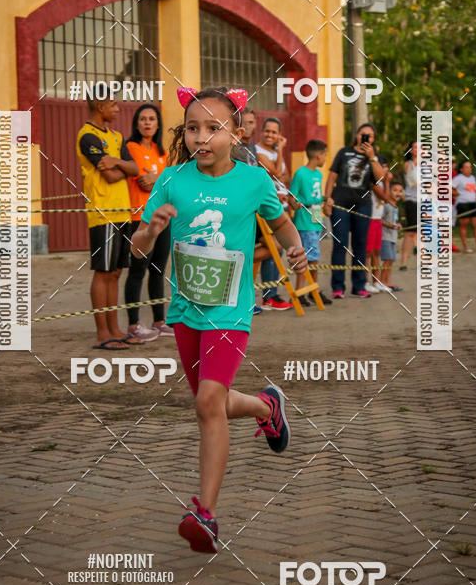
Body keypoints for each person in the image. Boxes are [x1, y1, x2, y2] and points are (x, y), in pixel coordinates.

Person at [131, 86, 307, 554]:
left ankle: (205, 514)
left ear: (237, 132)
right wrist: (152, 228)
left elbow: (280, 221)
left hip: (231, 311)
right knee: (215, 404)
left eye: (213, 128)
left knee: (208, 402)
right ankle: (268, 407)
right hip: (186, 311)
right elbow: (138, 247)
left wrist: (295, 248)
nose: (201, 138)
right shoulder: (171, 180)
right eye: (193, 128)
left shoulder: (253, 181)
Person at [76, 90, 139, 350]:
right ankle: (102, 334)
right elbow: (112, 176)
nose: (117, 108)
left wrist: (117, 162)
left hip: (123, 212)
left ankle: (115, 329)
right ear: (100, 105)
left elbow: (135, 169)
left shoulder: (116, 137)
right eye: (113, 104)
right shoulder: (87, 136)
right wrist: (121, 165)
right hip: (103, 214)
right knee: (102, 272)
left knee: (115, 272)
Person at [123, 104, 171, 342]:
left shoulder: (162, 152)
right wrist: (156, 180)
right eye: (143, 119)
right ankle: (133, 325)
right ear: (136, 123)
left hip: (163, 218)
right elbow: (143, 181)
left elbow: (167, 183)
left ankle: (159, 322)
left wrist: (158, 179)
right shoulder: (130, 147)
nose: (147, 123)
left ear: (158, 123)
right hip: (139, 218)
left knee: (158, 269)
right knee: (138, 270)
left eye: (152, 119)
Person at [323, 123, 385, 299]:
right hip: (340, 204)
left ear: (373, 139)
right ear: (356, 135)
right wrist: (327, 199)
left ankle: (359, 286)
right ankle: (338, 287)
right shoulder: (344, 153)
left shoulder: (374, 156)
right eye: (363, 134)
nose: (366, 138)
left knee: (360, 246)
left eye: (370, 136)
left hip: (363, 206)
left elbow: (379, 178)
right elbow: (332, 177)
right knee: (340, 244)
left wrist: (372, 157)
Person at [255, 117, 293, 310]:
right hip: (267, 207)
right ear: (261, 132)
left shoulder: (275, 152)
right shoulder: (257, 151)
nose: (270, 135)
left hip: (282, 204)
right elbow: (277, 173)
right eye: (267, 131)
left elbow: (285, 176)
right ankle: (269, 295)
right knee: (274, 248)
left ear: (279, 135)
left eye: (274, 132)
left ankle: (271, 295)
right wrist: (281, 150)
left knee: (277, 252)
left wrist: (278, 153)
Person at [288, 139, 332, 306]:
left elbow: (317, 196)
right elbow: (291, 197)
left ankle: (313, 291)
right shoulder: (301, 174)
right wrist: (295, 204)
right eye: (325, 155)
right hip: (304, 223)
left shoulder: (318, 175)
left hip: (315, 220)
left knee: (314, 258)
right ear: (318, 155)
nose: (325, 159)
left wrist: (327, 199)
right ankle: (305, 292)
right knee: (308, 258)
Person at [452, 160, 476, 252]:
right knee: (464, 224)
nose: (469, 169)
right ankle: (465, 247)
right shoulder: (458, 178)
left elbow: (475, 190)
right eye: (466, 167)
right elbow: (450, 189)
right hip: (462, 204)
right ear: (461, 169)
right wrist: (457, 194)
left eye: (470, 167)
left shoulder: (472, 178)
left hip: (473, 203)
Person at [365, 163, 389, 294]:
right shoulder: (373, 183)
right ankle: (365, 281)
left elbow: (389, 198)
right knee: (367, 252)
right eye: (382, 167)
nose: (385, 170)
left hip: (378, 219)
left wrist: (387, 182)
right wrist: (386, 181)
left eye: (385, 167)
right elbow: (384, 197)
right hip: (370, 219)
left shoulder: (383, 183)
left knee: (376, 252)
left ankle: (376, 281)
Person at [380, 179, 404, 292]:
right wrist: (389, 225)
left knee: (391, 260)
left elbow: (394, 221)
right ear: (389, 191)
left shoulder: (396, 207)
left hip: (393, 237)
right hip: (385, 237)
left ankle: (387, 283)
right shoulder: (386, 205)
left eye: (400, 191)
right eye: (395, 190)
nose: (397, 193)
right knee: (387, 259)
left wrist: (397, 225)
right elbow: (379, 220)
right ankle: (381, 282)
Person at [399, 141, 418, 270]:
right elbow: (413, 181)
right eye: (416, 147)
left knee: (424, 232)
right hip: (412, 200)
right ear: (411, 150)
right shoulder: (409, 164)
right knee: (411, 231)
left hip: (426, 201)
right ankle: (404, 261)